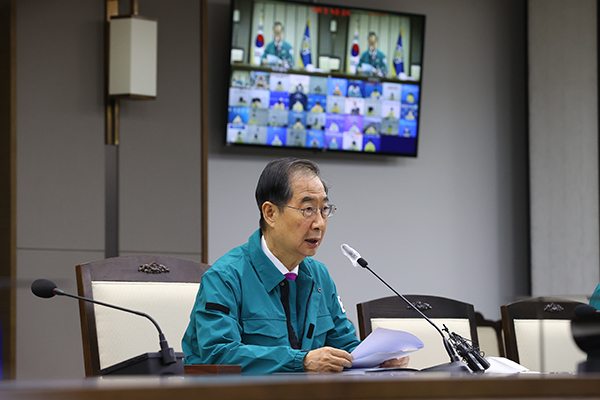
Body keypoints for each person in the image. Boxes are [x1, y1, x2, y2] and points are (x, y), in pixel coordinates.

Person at [182, 158, 409, 374]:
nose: (319, 223)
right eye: (308, 209)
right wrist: (301, 362)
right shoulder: (225, 277)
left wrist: (378, 357)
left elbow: (344, 345)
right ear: (270, 213)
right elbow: (218, 354)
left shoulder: (319, 275)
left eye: (324, 210)